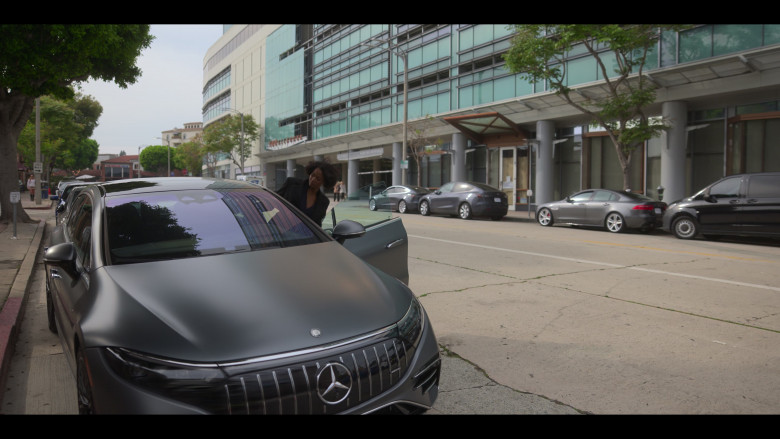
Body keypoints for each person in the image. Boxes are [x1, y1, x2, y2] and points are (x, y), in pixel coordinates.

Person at [276, 160, 338, 227]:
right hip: (279, 229)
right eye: (312, 175)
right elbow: (273, 199)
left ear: (324, 182)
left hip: (302, 235)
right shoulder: (291, 184)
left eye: (318, 179)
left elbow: (316, 225)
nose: (313, 179)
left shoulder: (324, 202)